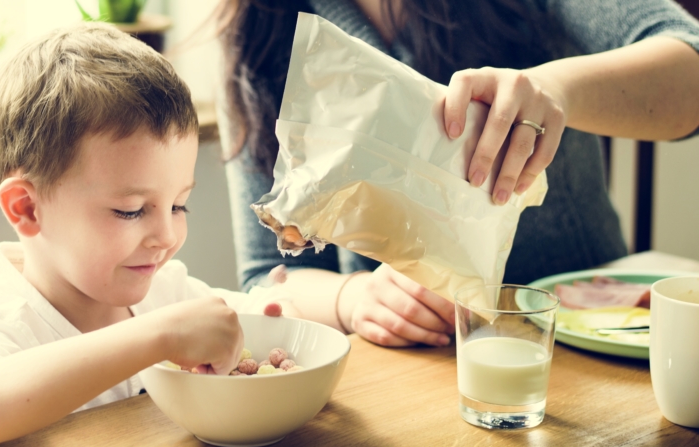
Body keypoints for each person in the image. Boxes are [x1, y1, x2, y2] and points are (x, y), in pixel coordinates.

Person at [0, 22, 325, 447]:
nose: (166, 235)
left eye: (178, 205)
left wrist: (341, 303)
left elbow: (253, 319)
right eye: (131, 210)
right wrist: (159, 336)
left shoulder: (163, 290)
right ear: (26, 208)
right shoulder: (11, 320)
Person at [216, 0, 699, 348]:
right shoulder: (258, 35)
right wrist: (351, 297)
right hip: (421, 372)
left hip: (593, 341)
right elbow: (268, 275)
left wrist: (555, 90)